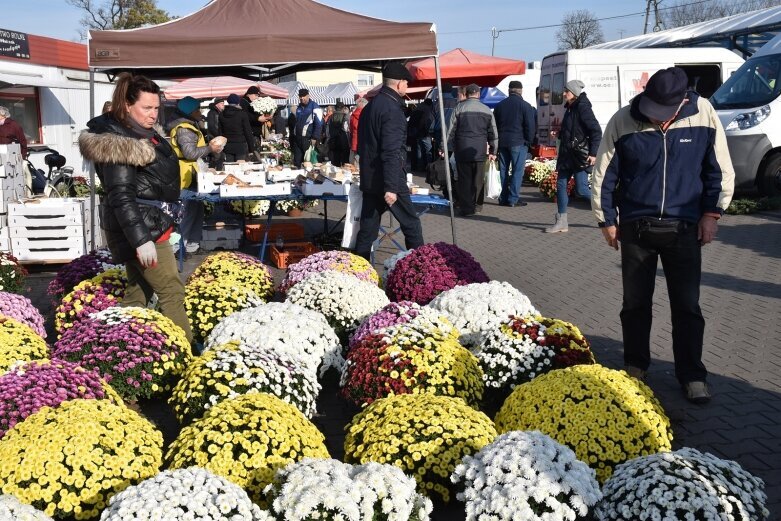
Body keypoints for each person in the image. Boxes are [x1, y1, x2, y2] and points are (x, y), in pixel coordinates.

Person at [591, 67, 735, 404]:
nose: (654, 116)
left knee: (687, 306)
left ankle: (692, 375)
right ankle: (636, 366)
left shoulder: (703, 114)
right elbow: (604, 173)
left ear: (683, 99)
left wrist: (712, 214)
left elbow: (719, 170)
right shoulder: (623, 120)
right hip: (636, 228)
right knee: (635, 304)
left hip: (685, 228)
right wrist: (606, 221)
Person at [78, 72, 192, 342]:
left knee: (138, 292)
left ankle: (123, 349)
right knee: (171, 291)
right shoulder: (120, 143)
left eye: (156, 108)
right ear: (127, 106)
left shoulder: (142, 133)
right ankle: (188, 352)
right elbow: (120, 195)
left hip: (149, 223)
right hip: (145, 228)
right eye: (147, 108)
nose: (153, 114)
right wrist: (142, 240)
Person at [354, 62, 424, 260]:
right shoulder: (392, 109)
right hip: (388, 179)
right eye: (407, 83)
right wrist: (391, 186)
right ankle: (419, 269)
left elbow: (365, 146)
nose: (408, 87)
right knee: (411, 225)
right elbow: (391, 151)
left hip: (371, 178)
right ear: (400, 83)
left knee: (367, 231)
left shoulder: (370, 106)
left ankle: (360, 273)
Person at [166, 96, 223, 255]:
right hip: (186, 175)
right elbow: (190, 153)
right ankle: (179, 248)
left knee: (197, 210)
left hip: (192, 173)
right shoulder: (185, 128)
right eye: (198, 109)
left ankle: (192, 245)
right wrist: (210, 148)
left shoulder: (189, 126)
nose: (200, 112)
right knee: (188, 212)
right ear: (190, 111)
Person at [545, 79, 602, 233]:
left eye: (567, 91)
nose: (564, 94)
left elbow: (596, 131)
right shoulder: (570, 108)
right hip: (567, 154)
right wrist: (559, 133)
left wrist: (593, 153)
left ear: (574, 93)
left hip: (578, 155)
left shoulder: (583, 108)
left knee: (582, 190)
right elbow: (573, 130)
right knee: (561, 185)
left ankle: (608, 211)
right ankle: (561, 221)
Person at [447, 83, 497, 217]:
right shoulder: (487, 110)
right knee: (479, 179)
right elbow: (493, 133)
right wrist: (493, 151)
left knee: (464, 180)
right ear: (479, 94)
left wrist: (444, 147)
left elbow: (450, 131)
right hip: (479, 150)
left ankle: (467, 208)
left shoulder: (459, 108)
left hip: (462, 150)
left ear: (467, 94)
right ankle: (478, 205)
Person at [493, 80, 536, 207]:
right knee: (517, 171)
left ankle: (503, 198)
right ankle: (513, 199)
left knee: (503, 171)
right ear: (521, 91)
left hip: (502, 142)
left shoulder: (500, 105)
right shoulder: (526, 106)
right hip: (519, 142)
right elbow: (530, 126)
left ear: (509, 90)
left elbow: (494, 125)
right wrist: (529, 142)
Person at [292, 89, 323, 167]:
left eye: (304, 96)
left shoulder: (314, 106)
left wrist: (315, 137)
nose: (302, 98)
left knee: (308, 163)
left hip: (308, 139)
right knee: (297, 162)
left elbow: (319, 123)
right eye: (300, 96)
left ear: (308, 96)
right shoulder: (298, 108)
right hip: (297, 139)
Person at [219, 94, 255, 162]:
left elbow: (220, 132)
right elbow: (248, 132)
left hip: (227, 146)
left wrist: (220, 147)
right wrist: (251, 149)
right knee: (240, 169)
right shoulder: (242, 114)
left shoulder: (221, 115)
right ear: (238, 102)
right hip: (240, 145)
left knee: (229, 169)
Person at [240, 85, 268, 151]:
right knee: (253, 154)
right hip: (249, 134)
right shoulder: (243, 102)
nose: (257, 97)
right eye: (255, 95)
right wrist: (257, 118)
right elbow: (246, 116)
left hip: (256, 133)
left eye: (258, 95)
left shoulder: (252, 102)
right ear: (249, 94)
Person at [328, 101, 350, 166]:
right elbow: (346, 129)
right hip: (343, 140)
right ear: (343, 108)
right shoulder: (345, 116)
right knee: (345, 162)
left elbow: (327, 130)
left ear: (335, 108)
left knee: (335, 162)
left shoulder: (330, 117)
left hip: (333, 140)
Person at [416, 98, 435, 172]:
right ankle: (429, 168)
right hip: (425, 134)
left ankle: (420, 167)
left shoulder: (419, 108)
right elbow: (427, 124)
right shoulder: (428, 111)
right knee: (428, 151)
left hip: (418, 133)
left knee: (420, 151)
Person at [349, 97, 368, 165]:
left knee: (355, 163)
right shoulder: (366, 114)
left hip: (354, 141)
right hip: (364, 142)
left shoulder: (352, 116)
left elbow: (351, 129)